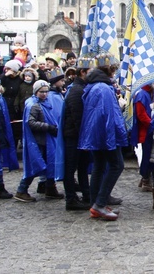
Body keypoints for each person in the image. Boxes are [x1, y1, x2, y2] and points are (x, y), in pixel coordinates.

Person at [79, 54, 127, 221]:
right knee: (117, 165)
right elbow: (108, 114)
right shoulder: (103, 88)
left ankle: (95, 204)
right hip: (104, 134)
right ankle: (99, 203)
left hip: (95, 133)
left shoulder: (94, 85)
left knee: (99, 166)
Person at [15, 80, 64, 202]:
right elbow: (30, 122)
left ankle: (50, 188)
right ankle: (22, 190)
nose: (44, 94)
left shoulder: (44, 102)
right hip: (39, 141)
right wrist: (48, 127)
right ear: (36, 91)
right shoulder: (33, 105)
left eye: (46, 91)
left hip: (46, 139)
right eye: (41, 92)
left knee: (50, 164)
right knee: (35, 165)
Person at [61, 56, 93, 210]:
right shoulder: (76, 90)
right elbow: (78, 117)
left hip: (80, 135)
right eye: (90, 71)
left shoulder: (82, 88)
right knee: (71, 167)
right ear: (83, 73)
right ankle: (71, 199)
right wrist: (84, 137)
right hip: (75, 136)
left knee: (82, 166)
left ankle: (87, 194)